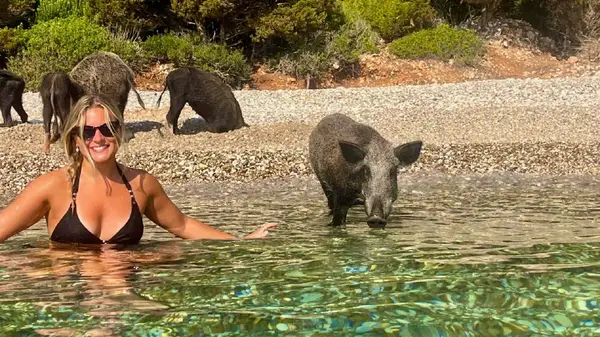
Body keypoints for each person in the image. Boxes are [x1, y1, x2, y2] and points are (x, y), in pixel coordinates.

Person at [0, 94, 276, 244]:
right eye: (87, 132)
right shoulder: (53, 186)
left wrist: (240, 241)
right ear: (74, 139)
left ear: (119, 132)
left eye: (107, 128)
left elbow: (182, 225)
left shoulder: (142, 185)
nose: (98, 138)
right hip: (71, 306)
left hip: (124, 299)